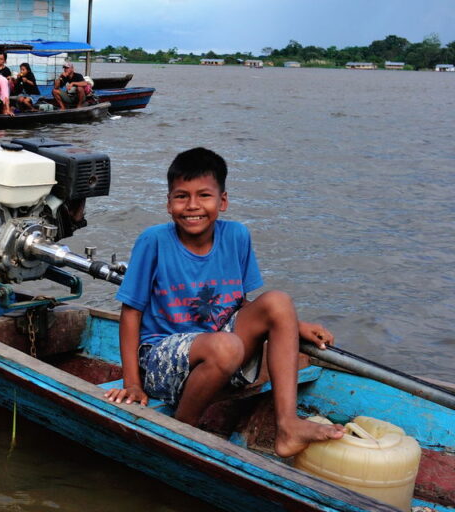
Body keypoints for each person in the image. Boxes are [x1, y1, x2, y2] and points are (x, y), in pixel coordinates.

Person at [104, 147, 345, 458]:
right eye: (181, 196)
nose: (192, 206)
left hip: (221, 351)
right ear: (168, 203)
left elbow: (238, 305)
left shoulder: (237, 236)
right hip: (162, 361)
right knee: (226, 346)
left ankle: (287, 425)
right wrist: (132, 383)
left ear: (223, 201)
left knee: (278, 301)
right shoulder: (154, 241)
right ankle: (184, 428)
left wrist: (294, 327)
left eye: (204, 195)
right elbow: (131, 312)